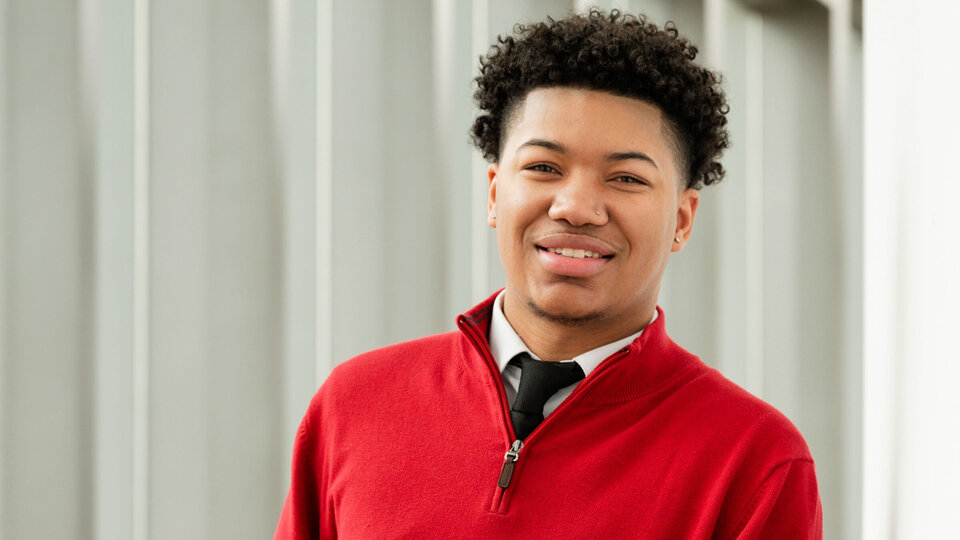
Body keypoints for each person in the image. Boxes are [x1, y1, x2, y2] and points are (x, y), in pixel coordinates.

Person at [275, 9, 822, 539]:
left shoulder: (754, 460)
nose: (576, 207)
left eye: (626, 178)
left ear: (681, 220)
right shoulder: (355, 404)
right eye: (543, 167)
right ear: (494, 194)